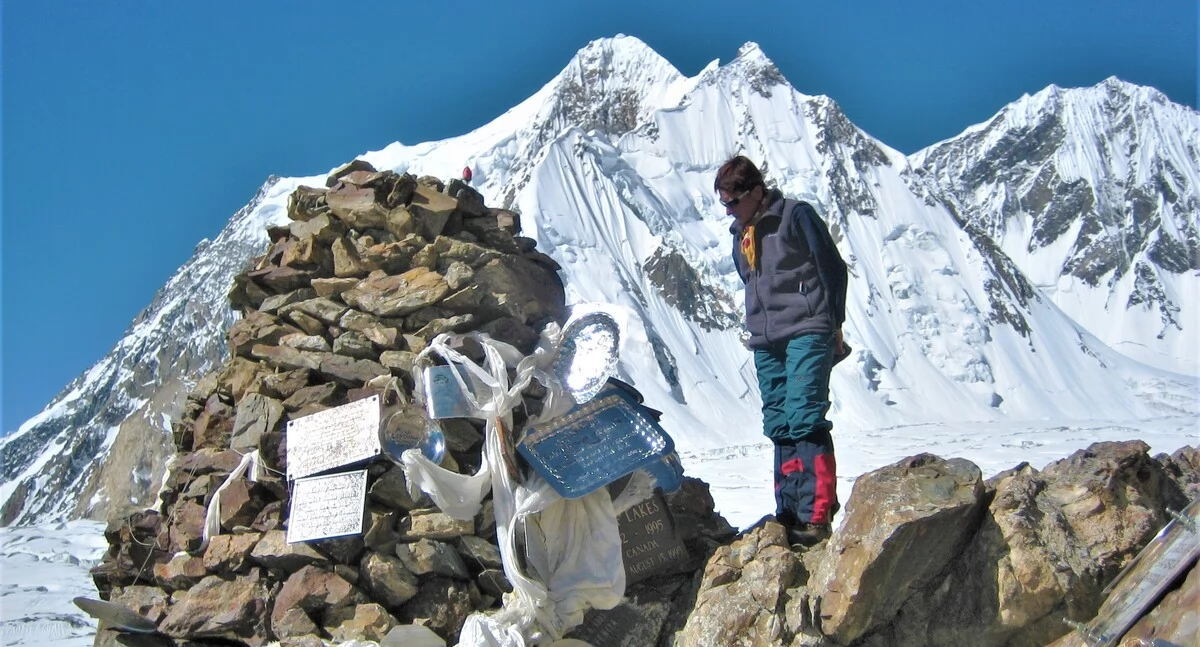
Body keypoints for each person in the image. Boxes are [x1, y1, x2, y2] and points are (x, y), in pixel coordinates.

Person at [715, 155, 848, 548]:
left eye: (733, 202)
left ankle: (817, 513)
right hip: (766, 338)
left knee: (805, 415)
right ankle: (788, 509)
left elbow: (833, 268)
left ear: (756, 192)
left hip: (808, 328)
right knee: (779, 422)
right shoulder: (742, 235)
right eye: (724, 204)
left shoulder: (795, 216)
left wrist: (834, 323)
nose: (729, 210)